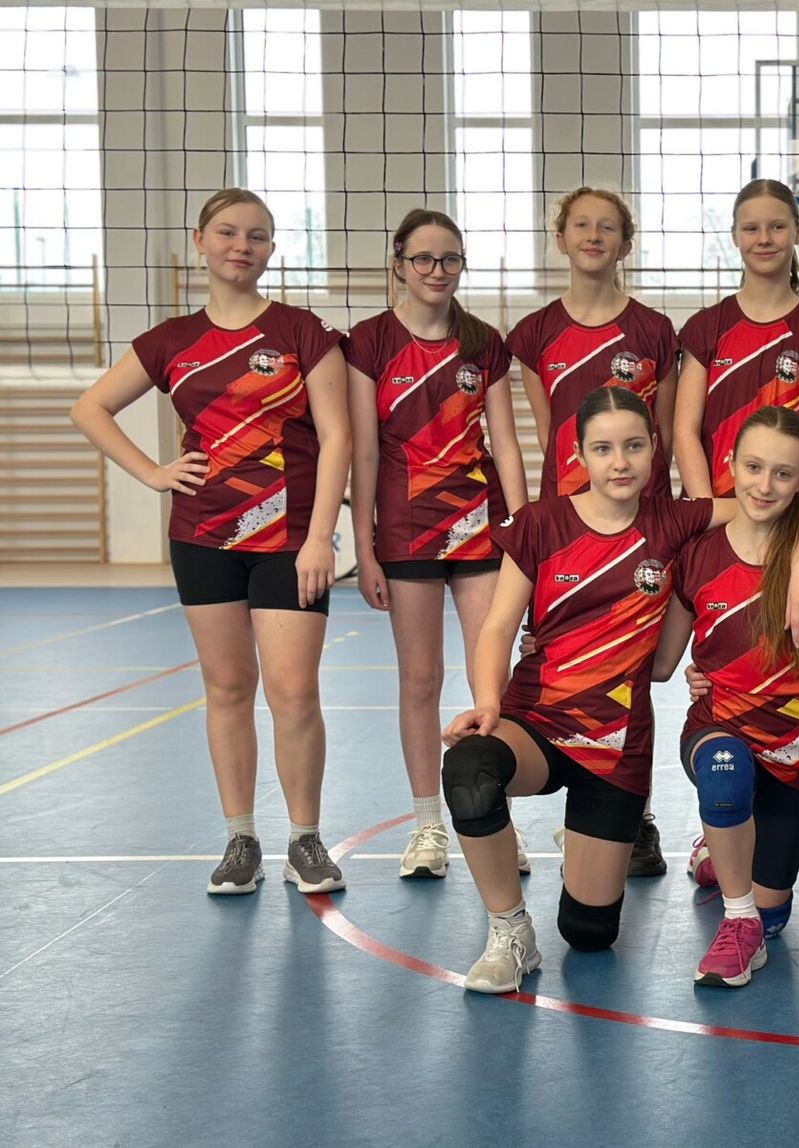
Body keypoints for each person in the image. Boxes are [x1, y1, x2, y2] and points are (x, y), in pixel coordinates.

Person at [439, 387, 799, 994]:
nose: (619, 462)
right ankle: (510, 930)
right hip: (536, 723)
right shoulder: (540, 524)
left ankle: (588, 854)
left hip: (616, 749)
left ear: (654, 449)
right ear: (578, 454)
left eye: (633, 447)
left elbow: (778, 504)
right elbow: (495, 628)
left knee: (590, 933)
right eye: (602, 449)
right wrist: (488, 701)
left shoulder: (674, 521)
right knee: (470, 772)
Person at [70, 188, 349, 896]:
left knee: (294, 693)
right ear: (200, 241)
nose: (241, 246)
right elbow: (90, 407)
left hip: (289, 539)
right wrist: (154, 473)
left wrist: (322, 536)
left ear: (272, 250)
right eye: (227, 233)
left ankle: (305, 840)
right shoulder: (171, 340)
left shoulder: (301, 331)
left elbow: (339, 436)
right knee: (227, 687)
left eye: (256, 236)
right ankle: (240, 839)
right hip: (202, 535)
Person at [344, 208, 530, 881]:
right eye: (423, 258)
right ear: (399, 262)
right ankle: (428, 825)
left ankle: (499, 822)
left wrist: (525, 532)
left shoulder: (483, 341)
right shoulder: (369, 341)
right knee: (420, 679)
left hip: (479, 525)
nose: (436, 270)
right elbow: (365, 451)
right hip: (405, 529)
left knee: (492, 679)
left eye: (449, 258)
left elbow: (505, 442)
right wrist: (364, 548)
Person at [508, 186, 681, 875]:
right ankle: (568, 806)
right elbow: (554, 432)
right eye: (581, 224)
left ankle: (632, 817)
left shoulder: (654, 331)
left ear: (624, 243)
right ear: (561, 239)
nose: (593, 235)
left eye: (607, 227)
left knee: (632, 671)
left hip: (640, 529)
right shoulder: (534, 334)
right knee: (558, 666)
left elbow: (662, 434)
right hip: (567, 533)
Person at [654, 406, 799, 986]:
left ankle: (733, 869)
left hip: (795, 748)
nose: (765, 485)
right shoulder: (698, 553)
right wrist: (548, 639)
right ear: (730, 463)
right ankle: (735, 915)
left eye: (783, 474)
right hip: (717, 726)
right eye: (753, 467)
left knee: (775, 917)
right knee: (726, 769)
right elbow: (662, 663)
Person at [673, 180, 799, 499]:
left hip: (781, 510)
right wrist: (708, 511)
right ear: (735, 236)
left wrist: (788, 512)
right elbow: (684, 432)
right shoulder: (705, 327)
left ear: (798, 232)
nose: (764, 238)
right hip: (711, 512)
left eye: (777, 227)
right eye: (751, 229)